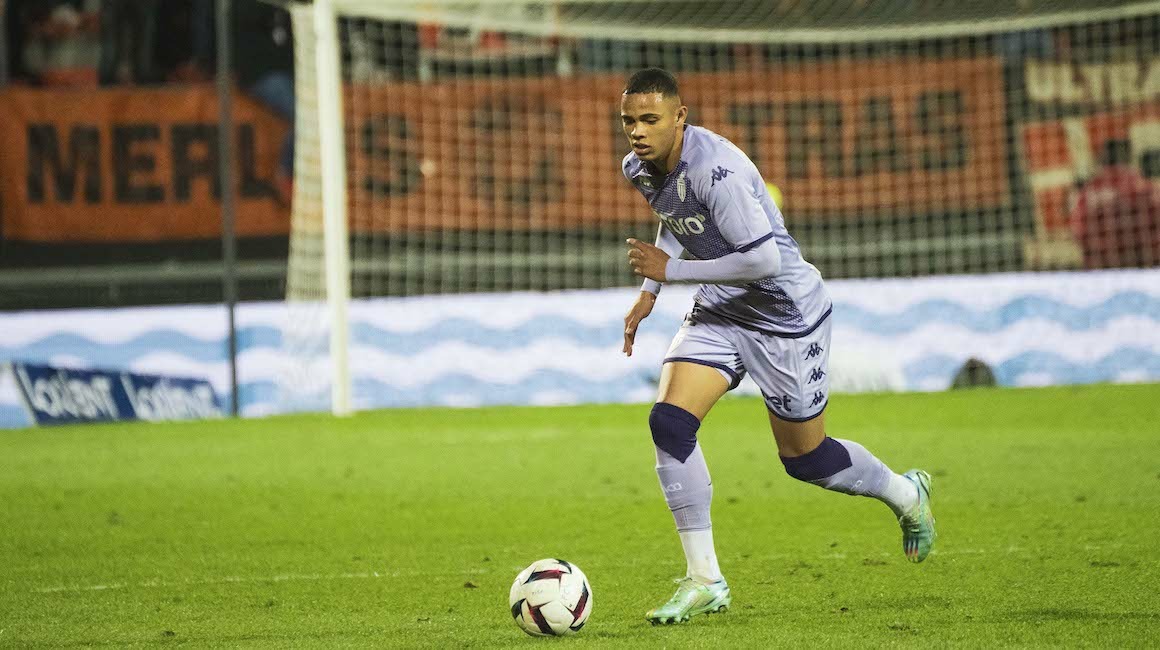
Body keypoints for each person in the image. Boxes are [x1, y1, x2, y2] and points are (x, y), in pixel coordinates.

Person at [617, 68, 937, 625]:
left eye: (650, 119)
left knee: (807, 460)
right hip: (721, 307)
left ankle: (906, 495)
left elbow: (763, 260)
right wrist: (651, 291)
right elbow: (674, 218)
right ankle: (705, 580)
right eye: (629, 121)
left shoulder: (717, 170)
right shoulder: (638, 166)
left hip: (785, 316)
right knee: (669, 423)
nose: (638, 132)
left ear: (680, 117)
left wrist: (673, 271)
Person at [1069, 139, 1160, 269]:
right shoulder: (1143, 186)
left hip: (1100, 265)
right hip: (1143, 263)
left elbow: (1077, 230)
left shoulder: (1087, 191)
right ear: (1128, 157)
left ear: (1102, 159)